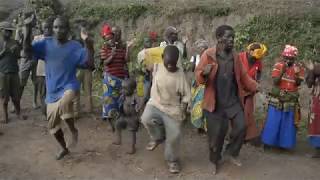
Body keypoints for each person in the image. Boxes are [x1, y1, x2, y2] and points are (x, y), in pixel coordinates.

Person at [26, 16, 94, 160]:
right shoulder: (45, 44)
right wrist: (27, 29)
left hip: (69, 86)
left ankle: (72, 129)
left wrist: (89, 45)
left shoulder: (75, 46)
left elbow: (89, 64)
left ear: (67, 30)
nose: (58, 30)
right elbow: (27, 51)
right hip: (52, 91)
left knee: (65, 101)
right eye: (55, 27)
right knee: (53, 127)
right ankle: (64, 148)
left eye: (61, 27)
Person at [195, 25, 258, 174]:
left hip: (232, 102)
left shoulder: (235, 57)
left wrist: (255, 86)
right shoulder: (208, 55)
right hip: (214, 104)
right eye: (228, 37)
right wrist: (203, 74)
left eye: (233, 38)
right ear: (219, 38)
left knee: (242, 126)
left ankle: (231, 152)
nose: (232, 40)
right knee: (215, 138)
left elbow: (243, 76)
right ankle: (213, 160)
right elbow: (198, 77)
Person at [141, 45, 191, 174]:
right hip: (155, 103)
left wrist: (183, 110)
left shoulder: (180, 75)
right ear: (162, 58)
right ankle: (158, 137)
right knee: (146, 118)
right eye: (168, 63)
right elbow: (143, 57)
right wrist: (148, 53)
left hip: (172, 108)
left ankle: (172, 160)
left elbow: (186, 95)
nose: (170, 67)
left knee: (174, 135)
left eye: (173, 64)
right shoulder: (157, 65)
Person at [261, 45, 304, 150]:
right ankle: (268, 143)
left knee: (287, 123)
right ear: (283, 57)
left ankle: (283, 145)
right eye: (286, 57)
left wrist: (297, 74)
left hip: (291, 99)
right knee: (273, 121)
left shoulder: (298, 67)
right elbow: (275, 82)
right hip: (277, 98)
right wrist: (282, 71)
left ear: (294, 59)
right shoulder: (278, 65)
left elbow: (298, 83)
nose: (288, 60)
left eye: (290, 58)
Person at [100, 24, 129, 131]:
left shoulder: (121, 47)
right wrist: (112, 54)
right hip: (110, 78)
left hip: (121, 77)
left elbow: (125, 61)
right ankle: (111, 124)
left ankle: (120, 123)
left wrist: (128, 49)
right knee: (108, 101)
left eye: (111, 37)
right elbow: (105, 63)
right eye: (108, 39)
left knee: (121, 101)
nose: (110, 40)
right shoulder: (104, 48)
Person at [238, 43, 267, 144]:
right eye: (254, 57)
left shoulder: (258, 62)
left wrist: (256, 83)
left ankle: (248, 136)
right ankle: (236, 135)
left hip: (250, 91)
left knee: (248, 113)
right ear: (250, 51)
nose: (255, 59)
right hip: (237, 90)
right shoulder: (239, 58)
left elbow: (258, 74)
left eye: (257, 58)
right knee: (237, 113)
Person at [0, 22, 25, 124]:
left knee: (16, 95)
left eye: (10, 31)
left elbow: (19, 57)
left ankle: (18, 113)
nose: (8, 33)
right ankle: (5, 116)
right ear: (1, 30)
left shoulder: (14, 42)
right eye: (6, 31)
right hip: (2, 73)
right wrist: (4, 51)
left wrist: (17, 50)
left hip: (14, 72)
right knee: (4, 96)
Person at [113, 78, 143, 154]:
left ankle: (132, 147)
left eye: (126, 89)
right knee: (117, 124)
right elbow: (119, 103)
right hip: (124, 116)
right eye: (122, 88)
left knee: (131, 131)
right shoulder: (123, 96)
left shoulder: (135, 96)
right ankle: (118, 139)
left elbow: (140, 105)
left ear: (133, 89)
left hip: (133, 117)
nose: (123, 90)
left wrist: (139, 115)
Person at [16, 11, 39, 109]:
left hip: (34, 57)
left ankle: (34, 102)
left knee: (36, 82)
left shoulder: (36, 31)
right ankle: (17, 103)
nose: (35, 21)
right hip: (25, 58)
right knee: (21, 82)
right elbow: (18, 44)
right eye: (34, 19)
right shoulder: (20, 30)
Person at [33, 17, 54, 117]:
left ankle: (51, 112)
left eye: (49, 28)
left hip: (53, 72)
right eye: (45, 28)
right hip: (41, 72)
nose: (47, 30)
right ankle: (46, 112)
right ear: (42, 28)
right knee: (42, 94)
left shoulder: (56, 40)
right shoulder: (37, 39)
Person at [74, 22, 95, 117]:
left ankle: (89, 109)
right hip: (78, 69)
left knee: (88, 91)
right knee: (75, 90)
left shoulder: (89, 45)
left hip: (87, 70)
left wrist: (85, 37)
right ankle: (76, 111)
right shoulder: (77, 46)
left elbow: (89, 42)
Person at [190, 39, 209, 133]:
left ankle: (205, 126)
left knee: (203, 105)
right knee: (195, 104)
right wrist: (193, 59)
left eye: (203, 48)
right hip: (196, 83)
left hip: (205, 84)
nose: (201, 49)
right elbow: (192, 69)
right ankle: (197, 125)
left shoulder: (209, 58)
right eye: (200, 48)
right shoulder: (196, 57)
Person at [306, 61, 320, 158]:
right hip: (317, 98)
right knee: (316, 122)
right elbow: (309, 84)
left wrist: (313, 69)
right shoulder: (316, 67)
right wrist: (311, 71)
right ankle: (317, 149)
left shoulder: (317, 67)